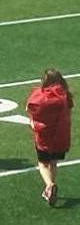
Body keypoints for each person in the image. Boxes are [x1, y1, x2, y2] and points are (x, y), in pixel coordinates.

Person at [26, 70, 73, 205]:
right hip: (61, 136)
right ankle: (49, 189)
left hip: (44, 136)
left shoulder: (38, 95)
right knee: (53, 162)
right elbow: (69, 112)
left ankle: (49, 185)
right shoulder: (65, 95)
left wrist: (32, 123)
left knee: (42, 163)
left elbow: (29, 109)